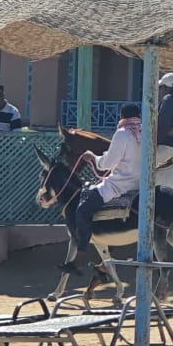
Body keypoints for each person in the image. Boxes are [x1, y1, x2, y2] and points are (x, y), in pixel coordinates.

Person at [68, 103, 143, 264]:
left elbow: (107, 164)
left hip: (119, 185)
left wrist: (93, 158)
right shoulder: (146, 133)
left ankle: (81, 250)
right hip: (140, 185)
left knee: (82, 209)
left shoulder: (122, 134)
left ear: (122, 116)